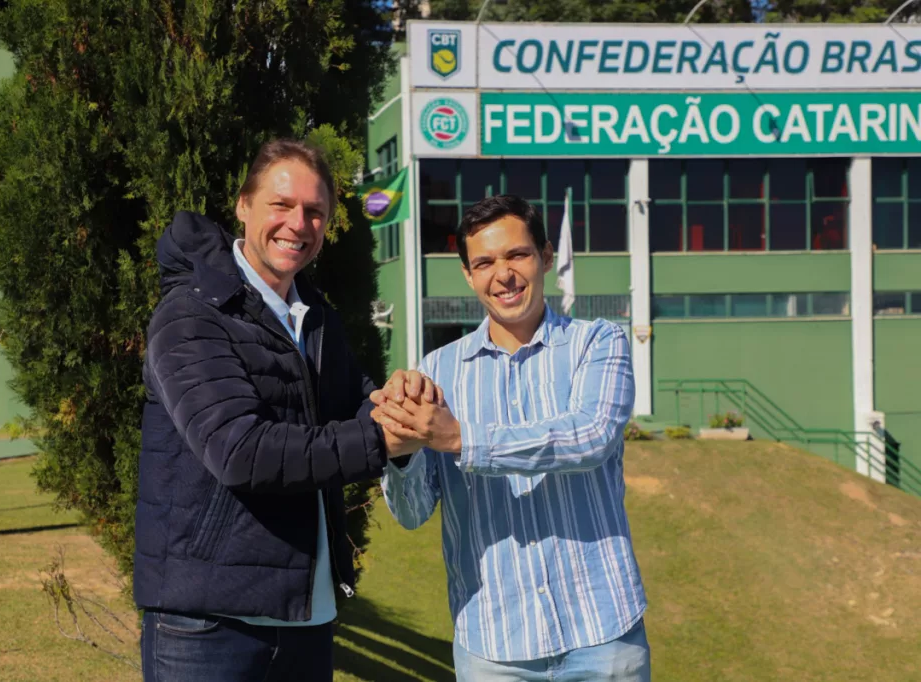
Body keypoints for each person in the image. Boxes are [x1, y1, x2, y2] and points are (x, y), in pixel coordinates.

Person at [134, 139, 421, 682]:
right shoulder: (191, 314)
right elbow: (240, 451)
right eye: (281, 205)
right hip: (209, 626)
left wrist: (400, 406)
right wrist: (383, 440)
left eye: (315, 212)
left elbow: (360, 408)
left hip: (306, 616)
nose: (298, 223)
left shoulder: (316, 320)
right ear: (243, 205)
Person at [372, 195, 650, 681]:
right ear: (468, 275)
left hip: (603, 635)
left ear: (544, 256)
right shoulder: (437, 371)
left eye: (516, 255)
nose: (503, 274)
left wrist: (461, 439)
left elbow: (589, 437)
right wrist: (400, 454)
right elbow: (413, 513)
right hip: (494, 648)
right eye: (484, 262)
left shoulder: (599, 342)